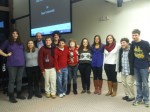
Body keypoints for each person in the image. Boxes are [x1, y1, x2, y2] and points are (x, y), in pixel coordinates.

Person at [0, 30, 26, 103]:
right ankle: (11, 97)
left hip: (21, 64)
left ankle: (18, 94)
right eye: (13, 33)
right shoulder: (7, 42)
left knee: (19, 80)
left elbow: (22, 52)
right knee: (12, 80)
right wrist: (6, 55)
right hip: (11, 64)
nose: (15, 34)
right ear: (11, 35)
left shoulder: (21, 43)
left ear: (18, 35)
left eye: (16, 33)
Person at [130, 29, 150, 107]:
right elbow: (131, 54)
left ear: (139, 35)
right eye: (133, 35)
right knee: (138, 84)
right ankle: (138, 99)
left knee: (145, 84)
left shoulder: (145, 43)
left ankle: (146, 100)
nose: (134, 37)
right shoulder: (133, 43)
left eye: (135, 35)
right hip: (136, 67)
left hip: (144, 67)